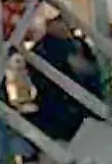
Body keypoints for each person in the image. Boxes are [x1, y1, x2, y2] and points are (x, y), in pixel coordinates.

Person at [26, 12, 104, 143]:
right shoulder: (47, 49)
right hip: (63, 114)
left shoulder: (78, 45)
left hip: (75, 113)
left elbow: (91, 71)